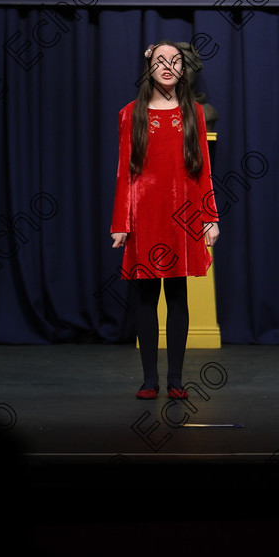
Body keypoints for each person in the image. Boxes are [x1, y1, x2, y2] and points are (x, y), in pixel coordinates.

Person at [111, 40, 219, 399]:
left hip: (183, 215)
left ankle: (175, 378)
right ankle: (149, 380)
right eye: (160, 60)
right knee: (145, 296)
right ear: (149, 67)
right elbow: (124, 172)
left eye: (175, 61)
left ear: (184, 69)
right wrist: (120, 223)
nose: (168, 66)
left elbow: (203, 169)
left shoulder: (195, 114)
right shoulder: (130, 114)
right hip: (145, 215)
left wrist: (209, 217)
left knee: (177, 294)